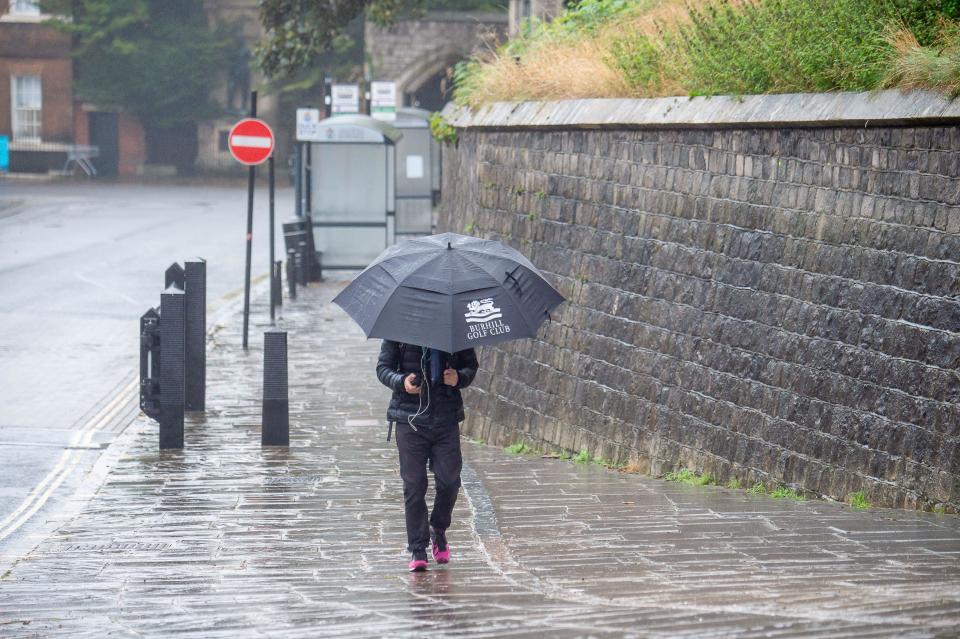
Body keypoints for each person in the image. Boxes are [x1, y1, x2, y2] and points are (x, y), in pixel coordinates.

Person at [376, 341, 478, 572]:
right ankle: (418, 548)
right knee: (414, 485)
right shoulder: (398, 331)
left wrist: (458, 378)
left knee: (450, 481)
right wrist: (401, 382)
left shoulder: (453, 331)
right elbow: (383, 368)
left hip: (446, 420)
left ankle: (438, 529)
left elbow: (470, 366)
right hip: (409, 420)